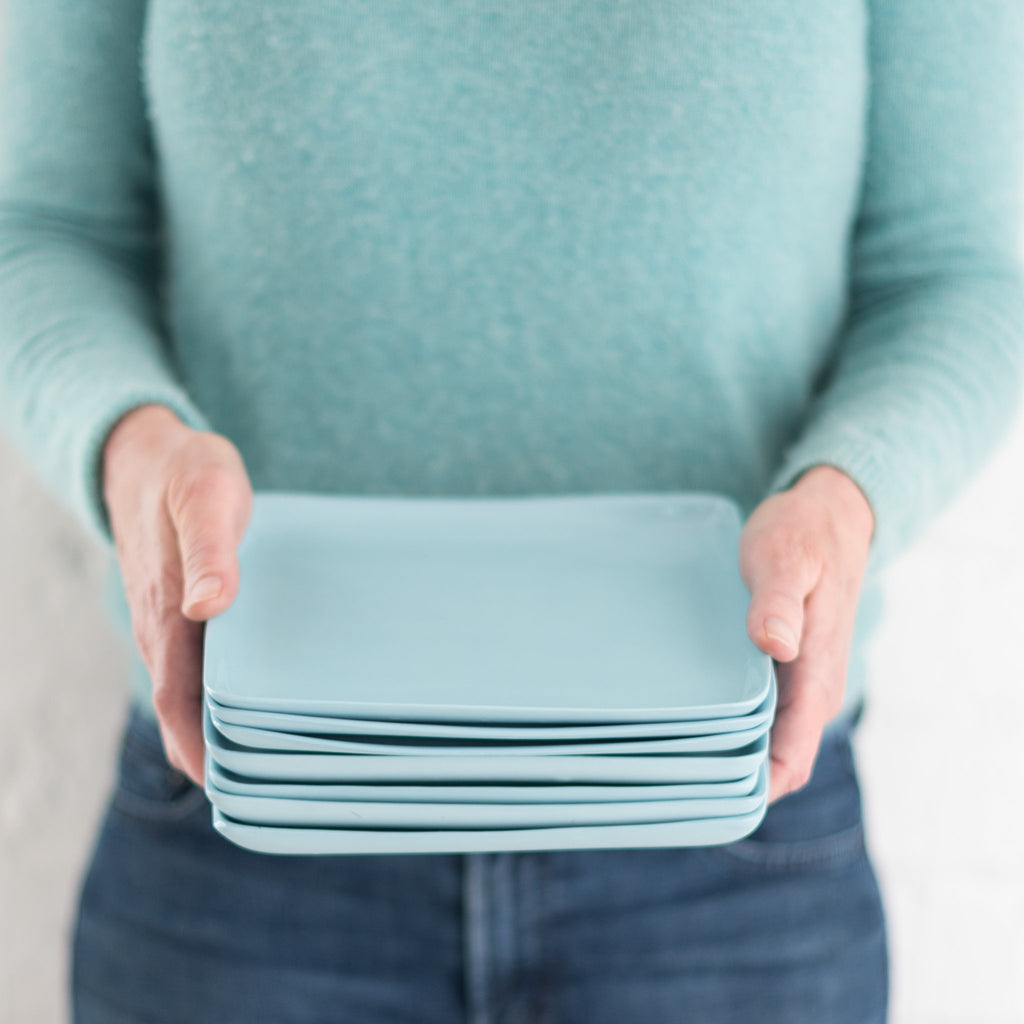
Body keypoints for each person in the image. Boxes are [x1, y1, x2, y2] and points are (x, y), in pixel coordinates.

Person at [1, 2, 1021, 1021]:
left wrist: (846, 497)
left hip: (725, 828)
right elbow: (44, 231)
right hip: (252, 814)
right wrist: (128, 446)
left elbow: (953, 273)